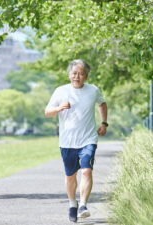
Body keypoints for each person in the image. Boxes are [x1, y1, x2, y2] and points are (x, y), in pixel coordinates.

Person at [45, 59, 108, 222]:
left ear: (86, 76)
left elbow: (102, 103)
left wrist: (104, 123)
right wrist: (59, 108)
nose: (77, 77)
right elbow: (47, 112)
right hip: (67, 142)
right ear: (69, 75)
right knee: (70, 176)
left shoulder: (93, 90)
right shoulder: (60, 91)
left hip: (88, 139)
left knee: (87, 170)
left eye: (81, 74)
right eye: (74, 73)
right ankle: (72, 203)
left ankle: (83, 205)